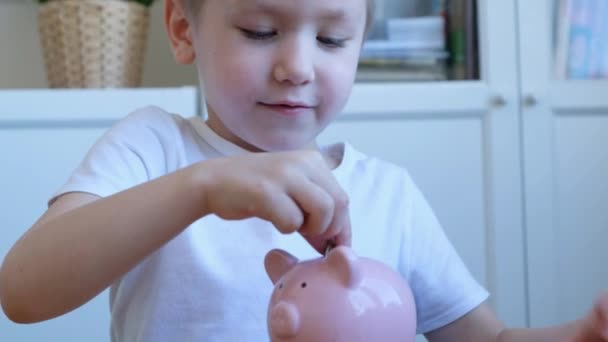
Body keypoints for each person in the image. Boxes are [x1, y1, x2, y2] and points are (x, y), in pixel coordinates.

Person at [1, 0, 607, 341]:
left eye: (333, 40)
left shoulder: (387, 191)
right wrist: (203, 187)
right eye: (261, 31)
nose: (297, 66)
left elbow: (487, 340)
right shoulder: (154, 149)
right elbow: (23, 291)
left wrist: (578, 336)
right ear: (185, 28)